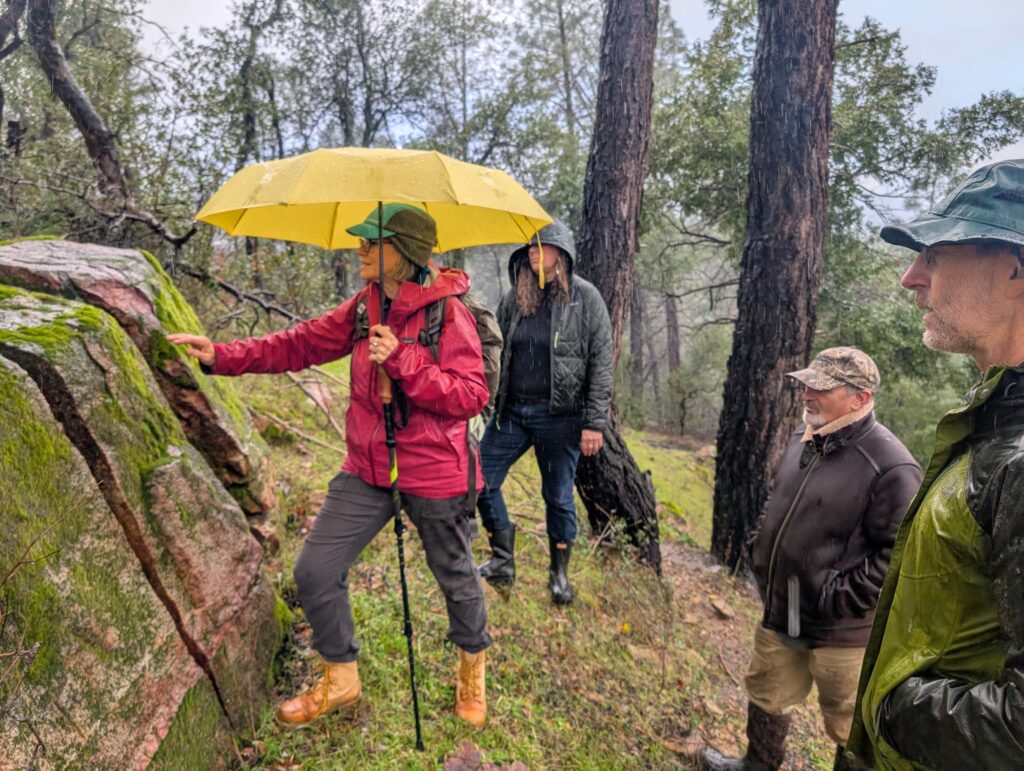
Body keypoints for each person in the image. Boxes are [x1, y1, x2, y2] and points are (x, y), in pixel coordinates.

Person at [167, 203, 492, 728]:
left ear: (401, 254)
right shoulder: (366, 307)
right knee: (314, 570)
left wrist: (405, 361)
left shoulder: (448, 313)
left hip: (435, 473)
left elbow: (471, 395)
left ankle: (472, 671)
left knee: (456, 578)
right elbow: (300, 344)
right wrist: (220, 356)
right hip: (369, 468)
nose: (359, 249)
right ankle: (341, 678)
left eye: (370, 242)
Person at [845, 159, 1024, 770]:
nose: (910, 278)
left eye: (936, 256)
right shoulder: (994, 425)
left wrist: (896, 709)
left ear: (1014, 269)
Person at [699, 348, 921, 771]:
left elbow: (899, 554)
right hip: (785, 610)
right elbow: (777, 501)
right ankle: (757, 765)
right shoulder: (808, 438)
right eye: (806, 384)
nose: (806, 393)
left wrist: (838, 597)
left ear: (860, 397)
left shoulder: (891, 465)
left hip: (843, 632)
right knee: (768, 691)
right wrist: (758, 547)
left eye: (821, 387)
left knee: (849, 724)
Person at [475, 220, 612, 605]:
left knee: (557, 497)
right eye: (529, 247)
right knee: (480, 476)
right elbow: (494, 348)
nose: (533, 251)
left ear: (561, 254)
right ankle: (503, 560)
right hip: (513, 413)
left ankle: (559, 574)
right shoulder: (514, 298)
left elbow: (601, 362)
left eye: (541, 245)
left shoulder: (585, 299)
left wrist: (594, 423)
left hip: (562, 418)